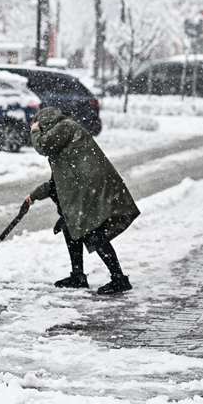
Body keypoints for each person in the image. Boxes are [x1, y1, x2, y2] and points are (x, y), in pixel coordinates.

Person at [23, 106, 139, 295]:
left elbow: (42, 146)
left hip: (92, 189)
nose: (38, 131)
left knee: (93, 232)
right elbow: (55, 183)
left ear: (44, 123)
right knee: (70, 227)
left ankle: (119, 279)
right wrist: (33, 196)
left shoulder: (65, 127)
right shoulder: (63, 138)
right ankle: (78, 276)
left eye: (39, 127)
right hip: (87, 188)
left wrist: (35, 131)